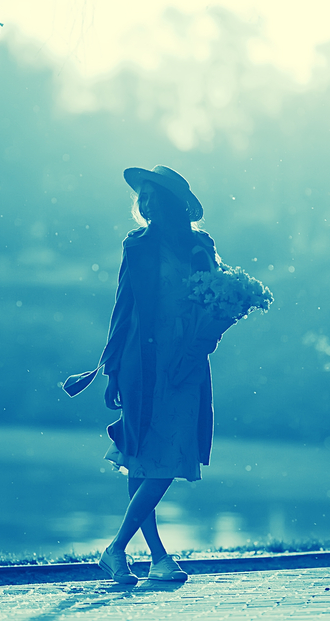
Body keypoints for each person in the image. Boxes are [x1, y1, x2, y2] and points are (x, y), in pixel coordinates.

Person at [64, 165, 221, 585]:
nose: (144, 205)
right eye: (142, 198)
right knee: (141, 451)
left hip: (185, 358)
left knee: (173, 449)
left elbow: (215, 302)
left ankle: (119, 549)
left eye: (152, 197)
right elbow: (123, 308)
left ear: (171, 203)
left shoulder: (199, 249)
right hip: (141, 359)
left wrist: (204, 340)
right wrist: (111, 369)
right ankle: (149, 555)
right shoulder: (136, 248)